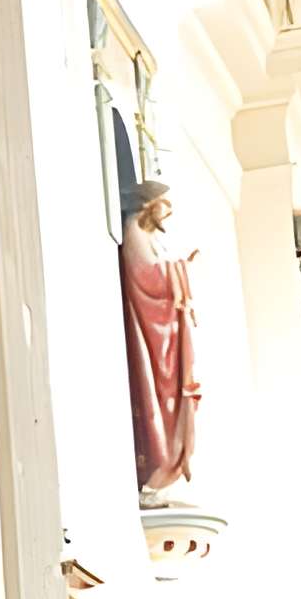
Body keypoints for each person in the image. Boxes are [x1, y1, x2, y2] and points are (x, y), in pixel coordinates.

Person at [120, 180, 199, 498]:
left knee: (169, 393)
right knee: (156, 393)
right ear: (149, 205)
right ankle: (156, 464)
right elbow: (144, 279)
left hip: (164, 335)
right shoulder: (134, 232)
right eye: (164, 205)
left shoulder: (149, 236)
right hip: (149, 331)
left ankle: (166, 464)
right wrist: (180, 273)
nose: (167, 213)